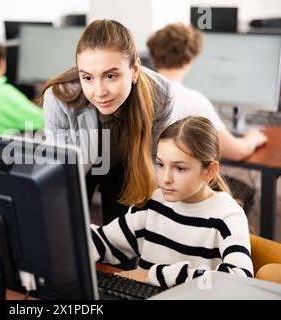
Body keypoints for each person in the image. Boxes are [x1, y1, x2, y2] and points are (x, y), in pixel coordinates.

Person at [90, 116, 253, 288]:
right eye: (160, 164)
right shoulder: (155, 202)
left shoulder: (227, 215)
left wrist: (154, 275)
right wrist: (65, 240)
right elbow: (103, 242)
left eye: (179, 168)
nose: (165, 178)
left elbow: (239, 280)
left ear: (210, 171)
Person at [41, 19, 173, 225]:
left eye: (110, 76)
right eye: (87, 78)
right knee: (67, 232)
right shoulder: (59, 98)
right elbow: (60, 176)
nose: (100, 92)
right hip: (80, 164)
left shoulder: (161, 95)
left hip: (129, 163)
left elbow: (154, 160)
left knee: (126, 242)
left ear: (135, 70)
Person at [146, 23, 267, 161]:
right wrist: (253, 138)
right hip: (171, 179)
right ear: (188, 60)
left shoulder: (141, 91)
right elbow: (236, 152)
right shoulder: (193, 100)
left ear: (154, 58)